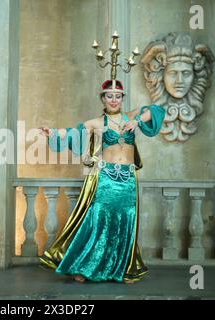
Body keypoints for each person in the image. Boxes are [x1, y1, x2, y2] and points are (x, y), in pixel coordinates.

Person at [38, 79, 166, 284]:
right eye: (109, 96)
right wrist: (52, 132)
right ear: (103, 98)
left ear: (122, 98)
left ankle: (120, 268)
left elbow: (157, 110)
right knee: (100, 221)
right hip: (107, 178)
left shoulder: (131, 117)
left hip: (127, 179)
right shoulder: (97, 123)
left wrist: (137, 122)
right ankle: (84, 266)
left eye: (117, 96)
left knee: (125, 221)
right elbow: (72, 133)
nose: (114, 100)